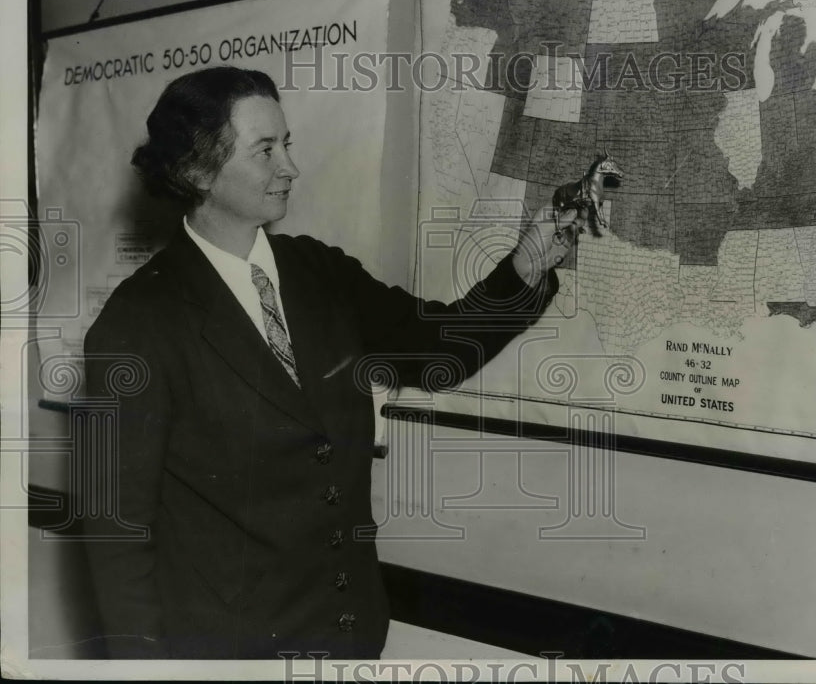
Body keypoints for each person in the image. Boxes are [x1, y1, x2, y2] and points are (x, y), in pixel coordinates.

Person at [83, 66, 580, 659]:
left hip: (351, 637)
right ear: (197, 171)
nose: (290, 166)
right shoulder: (138, 321)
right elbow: (117, 537)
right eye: (265, 150)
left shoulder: (319, 271)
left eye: (287, 144)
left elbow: (438, 348)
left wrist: (528, 263)